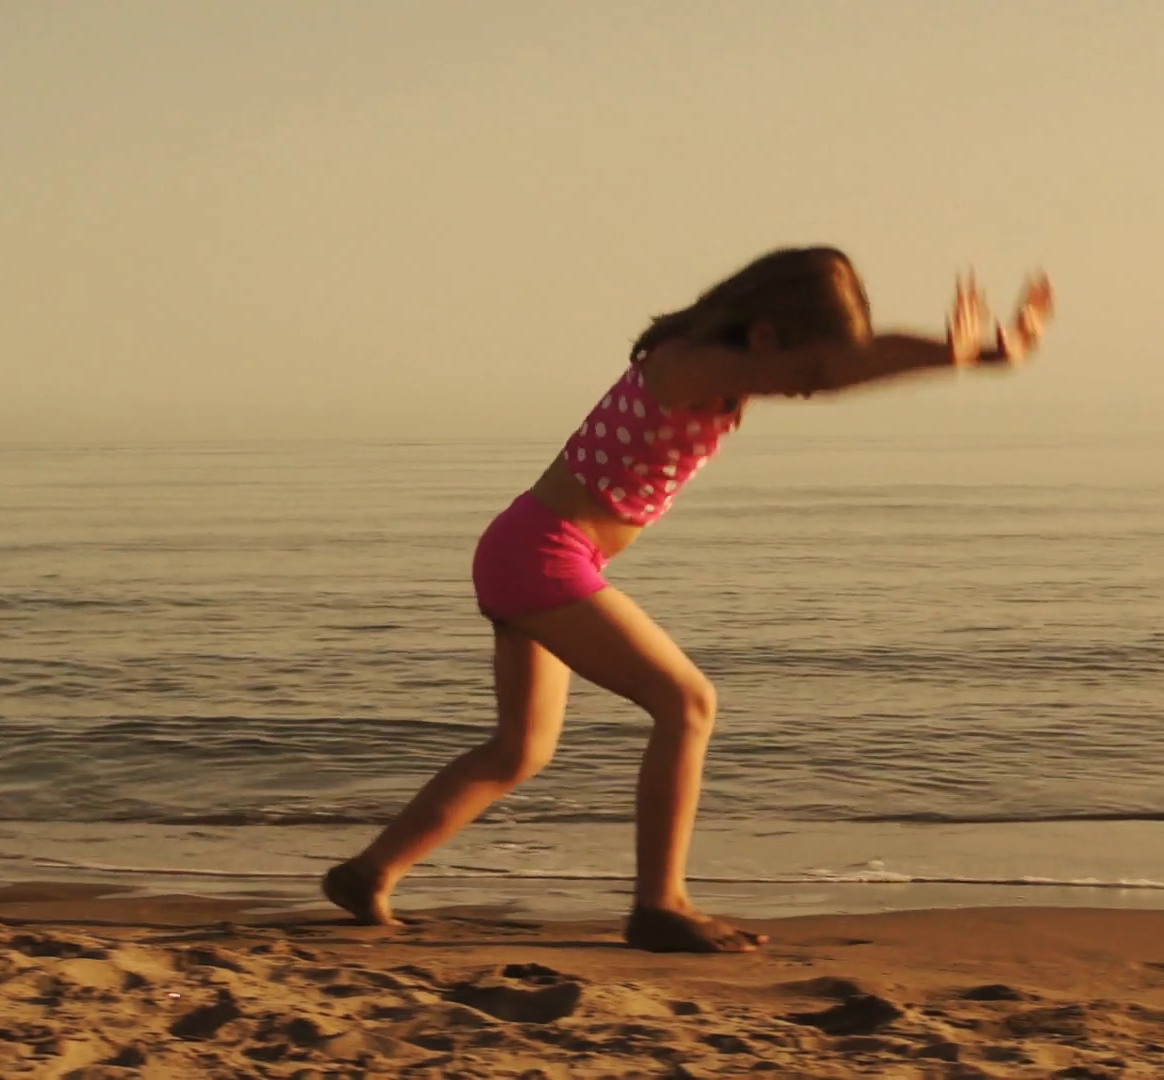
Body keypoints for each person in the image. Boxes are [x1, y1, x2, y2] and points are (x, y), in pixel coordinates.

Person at [322, 246, 1054, 952]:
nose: (811, 387)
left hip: (531, 549)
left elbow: (840, 363)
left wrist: (965, 355)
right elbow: (836, 370)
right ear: (763, 336)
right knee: (687, 703)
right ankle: (659, 905)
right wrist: (953, 355)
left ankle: (368, 873)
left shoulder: (720, 367)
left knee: (521, 749)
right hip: (542, 554)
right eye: (804, 365)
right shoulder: (687, 364)